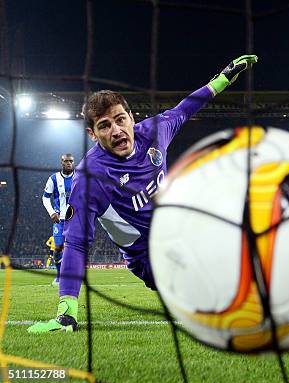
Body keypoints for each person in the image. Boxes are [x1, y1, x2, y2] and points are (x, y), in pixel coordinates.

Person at [27, 55, 258, 333]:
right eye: (104, 126)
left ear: (131, 117)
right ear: (92, 134)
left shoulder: (154, 131)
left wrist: (221, 80)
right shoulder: (90, 178)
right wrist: (67, 312)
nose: (116, 131)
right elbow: (76, 244)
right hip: (149, 257)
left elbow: (185, 108)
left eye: (120, 120)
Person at [42, 154, 75, 285]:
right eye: (66, 161)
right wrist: (51, 213)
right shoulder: (53, 178)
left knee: (73, 249)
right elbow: (45, 198)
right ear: (61, 163)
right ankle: (59, 275)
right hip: (59, 220)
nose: (69, 163)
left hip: (75, 219)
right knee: (58, 249)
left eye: (71, 161)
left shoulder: (80, 177)